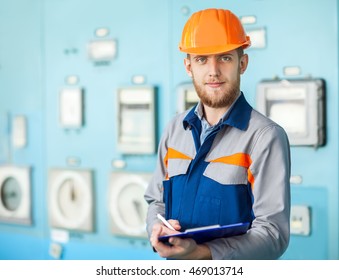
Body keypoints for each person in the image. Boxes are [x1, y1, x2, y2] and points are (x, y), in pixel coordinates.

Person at [144, 8, 291, 260]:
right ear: (188, 66)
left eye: (224, 58)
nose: (213, 71)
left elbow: (273, 234)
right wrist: (156, 230)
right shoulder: (174, 129)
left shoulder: (264, 137)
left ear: (242, 64)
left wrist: (203, 253)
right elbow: (156, 202)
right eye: (201, 59)